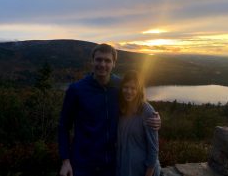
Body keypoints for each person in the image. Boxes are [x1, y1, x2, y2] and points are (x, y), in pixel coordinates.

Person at [58, 44, 160, 176]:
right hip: (83, 164)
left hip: (112, 165)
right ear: (92, 61)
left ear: (114, 64)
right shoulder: (76, 90)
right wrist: (65, 160)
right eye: (98, 59)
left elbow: (136, 97)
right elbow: (63, 126)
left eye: (107, 60)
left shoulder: (120, 86)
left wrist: (154, 116)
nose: (102, 64)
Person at [117, 70, 160, 176]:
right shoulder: (121, 109)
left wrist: (148, 174)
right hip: (124, 168)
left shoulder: (147, 112)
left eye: (133, 88)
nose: (128, 91)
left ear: (139, 90)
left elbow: (153, 149)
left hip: (142, 171)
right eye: (126, 87)